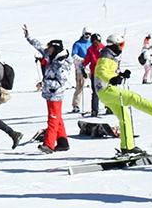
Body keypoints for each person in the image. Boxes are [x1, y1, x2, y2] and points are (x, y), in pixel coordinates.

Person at [93, 35, 152, 157]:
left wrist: (121, 75)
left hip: (105, 91)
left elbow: (109, 71)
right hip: (106, 90)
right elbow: (101, 71)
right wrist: (112, 79)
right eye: (121, 45)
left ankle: (127, 147)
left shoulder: (111, 55)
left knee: (125, 117)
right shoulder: (106, 56)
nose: (122, 48)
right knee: (132, 97)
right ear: (114, 45)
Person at [24, 25, 71, 153]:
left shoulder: (62, 63)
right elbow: (39, 46)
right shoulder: (51, 55)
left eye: (49, 47)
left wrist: (45, 84)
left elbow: (61, 82)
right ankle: (63, 142)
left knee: (53, 119)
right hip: (49, 94)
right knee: (57, 118)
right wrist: (28, 36)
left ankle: (49, 145)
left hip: (56, 94)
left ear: (55, 48)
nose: (47, 49)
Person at [69, 30, 92, 115]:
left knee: (96, 86)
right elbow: (74, 54)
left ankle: (99, 105)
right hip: (81, 67)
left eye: (89, 34)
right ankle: (76, 105)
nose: (88, 36)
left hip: (91, 66)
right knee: (80, 86)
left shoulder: (92, 43)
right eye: (86, 34)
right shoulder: (77, 44)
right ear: (83, 34)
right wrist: (82, 60)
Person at [82, 33, 104, 117]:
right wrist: (83, 67)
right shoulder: (90, 49)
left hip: (103, 73)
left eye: (97, 41)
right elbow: (87, 59)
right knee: (95, 92)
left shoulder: (104, 49)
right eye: (94, 41)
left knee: (106, 90)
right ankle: (94, 110)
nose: (96, 43)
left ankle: (109, 107)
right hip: (94, 73)